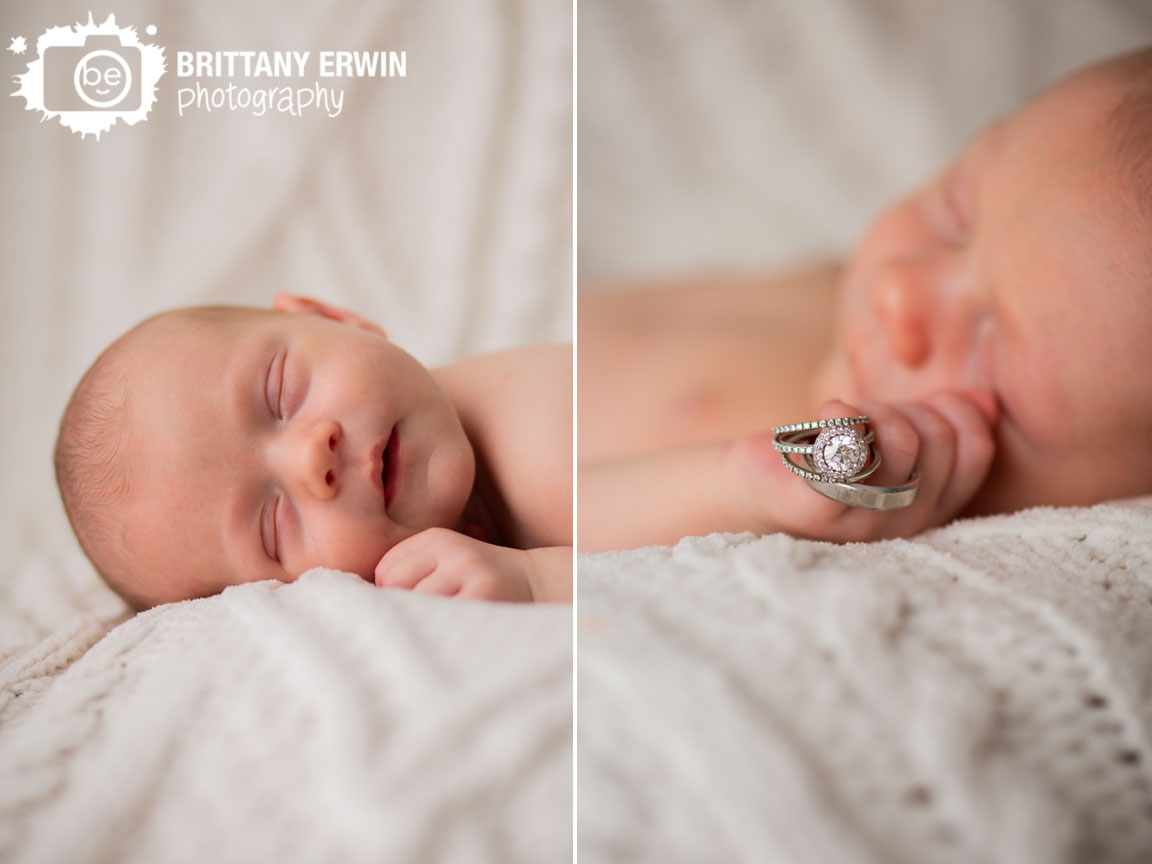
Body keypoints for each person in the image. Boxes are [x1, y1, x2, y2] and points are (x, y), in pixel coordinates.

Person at [579, 47, 1152, 552]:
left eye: (989, 350)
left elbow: (549, 533)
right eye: (959, 212)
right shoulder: (829, 288)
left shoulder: (797, 490)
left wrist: (734, 495)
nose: (899, 288)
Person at [55, 295, 572, 608]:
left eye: (280, 393)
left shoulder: (533, 442)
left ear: (332, 316)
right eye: (274, 525)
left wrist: (539, 582)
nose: (309, 462)